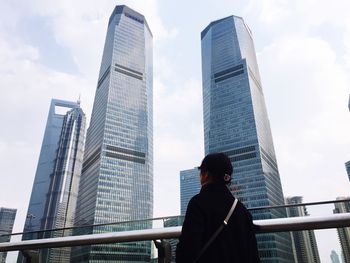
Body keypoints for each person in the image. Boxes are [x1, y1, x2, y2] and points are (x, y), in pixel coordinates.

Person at [176, 153, 260, 263]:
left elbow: (187, 250)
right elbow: (253, 255)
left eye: (200, 172)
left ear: (205, 174)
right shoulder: (242, 210)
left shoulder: (198, 203)